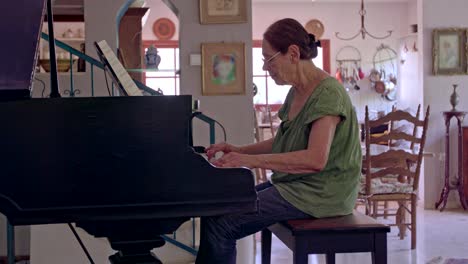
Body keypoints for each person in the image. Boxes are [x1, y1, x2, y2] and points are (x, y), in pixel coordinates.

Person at [195, 18, 362, 264]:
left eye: (268, 59)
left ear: (293, 53)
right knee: (219, 208)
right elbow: (283, 141)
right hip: (298, 187)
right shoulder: (297, 91)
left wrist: (250, 161)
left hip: (323, 194)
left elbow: (316, 160)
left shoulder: (328, 93)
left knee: (223, 224)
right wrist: (239, 150)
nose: (265, 67)